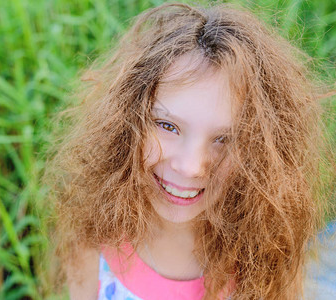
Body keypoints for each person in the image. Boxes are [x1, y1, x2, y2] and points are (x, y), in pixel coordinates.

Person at [47, 2, 334, 299]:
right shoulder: (95, 236)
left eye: (225, 139)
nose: (191, 167)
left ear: (263, 153)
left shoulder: (265, 254)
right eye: (167, 125)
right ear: (127, 122)